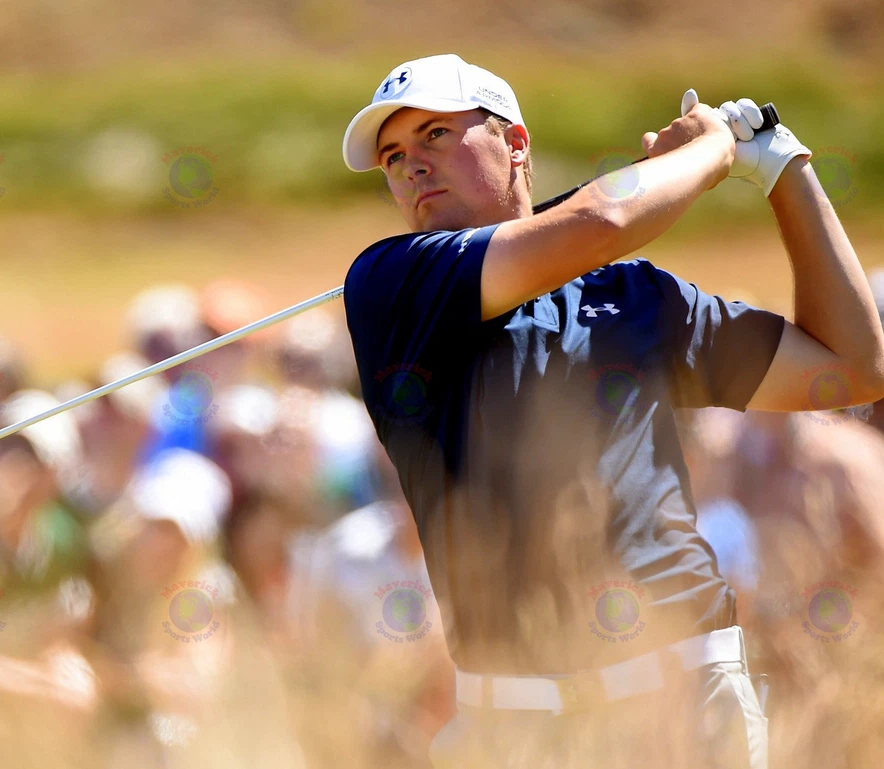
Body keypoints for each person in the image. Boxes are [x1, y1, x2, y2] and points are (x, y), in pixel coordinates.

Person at [339, 53, 884, 768]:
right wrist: (716, 150)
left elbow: (852, 366)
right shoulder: (390, 283)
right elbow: (607, 214)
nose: (411, 165)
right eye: (393, 155)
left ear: (515, 144)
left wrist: (783, 169)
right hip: (512, 725)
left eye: (436, 135)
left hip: (684, 700)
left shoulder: (634, 296)